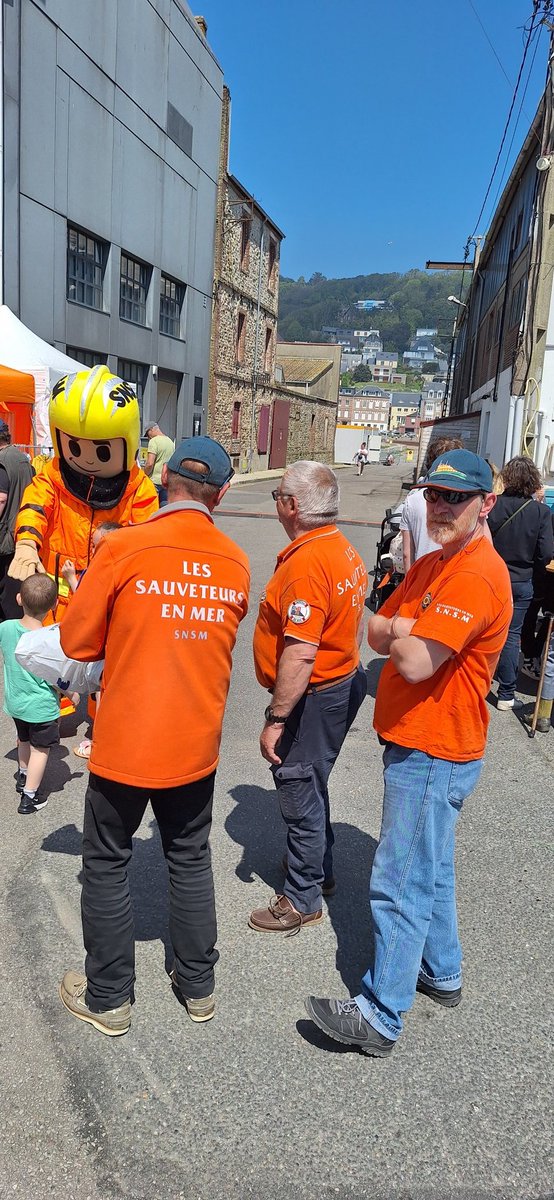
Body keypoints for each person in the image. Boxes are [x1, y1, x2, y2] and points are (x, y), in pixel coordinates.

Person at [305, 449, 512, 1056]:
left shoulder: (473, 573)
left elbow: (418, 661)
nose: (441, 506)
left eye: (457, 498)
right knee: (430, 865)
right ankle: (441, 971)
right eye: (435, 495)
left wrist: (407, 631)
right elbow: (375, 627)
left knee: (399, 878)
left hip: (435, 744)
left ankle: (380, 1011)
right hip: (421, 739)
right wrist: (408, 627)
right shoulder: (436, 561)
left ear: (486, 504)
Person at [57, 436, 249, 1036]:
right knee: (189, 857)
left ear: (163, 478)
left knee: (107, 862)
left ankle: (110, 996)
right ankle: (198, 987)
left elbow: (76, 643)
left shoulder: (126, 547)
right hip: (194, 743)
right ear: (219, 494)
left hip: (127, 741)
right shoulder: (236, 561)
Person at [249, 460, 368, 934]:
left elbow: (299, 654)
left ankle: (303, 897)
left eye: (277, 495)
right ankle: (321, 869)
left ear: (292, 507)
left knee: (298, 785)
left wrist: (276, 718)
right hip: (340, 682)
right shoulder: (340, 548)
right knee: (312, 782)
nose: (275, 502)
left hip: (316, 693)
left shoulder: (306, 564)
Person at [9, 366, 158, 619]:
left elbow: (148, 540)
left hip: (109, 602)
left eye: (103, 451)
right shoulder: (53, 475)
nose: (88, 460)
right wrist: (26, 541)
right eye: (74, 447)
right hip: (54, 605)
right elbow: (35, 507)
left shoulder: (137, 489)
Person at [487, 456, 553, 711]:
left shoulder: (493, 505)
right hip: (522, 580)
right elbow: (545, 552)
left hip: (492, 577)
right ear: (533, 480)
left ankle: (476, 682)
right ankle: (506, 693)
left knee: (482, 630)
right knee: (511, 636)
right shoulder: (540, 512)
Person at [60, 522, 123, 760]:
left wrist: (69, 579)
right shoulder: (120, 566)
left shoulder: (105, 571)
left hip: (107, 645)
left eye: (97, 545)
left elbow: (87, 604)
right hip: (113, 643)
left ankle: (98, 739)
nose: (93, 550)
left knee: (100, 691)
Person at [0, 574, 60, 815]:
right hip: (41, 706)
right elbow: (57, 675)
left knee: (23, 740)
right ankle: (30, 797)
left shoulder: (5, 628)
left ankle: (23, 777)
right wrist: (72, 694)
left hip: (16, 702)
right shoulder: (51, 638)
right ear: (55, 605)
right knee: (40, 749)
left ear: (18, 599)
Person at [400, 436, 463, 573]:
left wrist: (410, 585)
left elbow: (407, 554)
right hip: (456, 576)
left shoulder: (413, 500)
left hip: (422, 576)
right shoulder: (467, 501)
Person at [0, 420, 34, 620]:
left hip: (4, 534)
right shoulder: (23, 459)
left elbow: (1, 498)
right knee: (13, 590)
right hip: (21, 531)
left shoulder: (2, 461)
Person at [143, 422, 175, 505]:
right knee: (164, 508)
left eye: (147, 434)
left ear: (152, 430)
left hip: (154, 482)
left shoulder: (153, 441)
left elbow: (150, 463)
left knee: (152, 509)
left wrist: (144, 475)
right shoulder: (170, 442)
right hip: (166, 480)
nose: (148, 437)